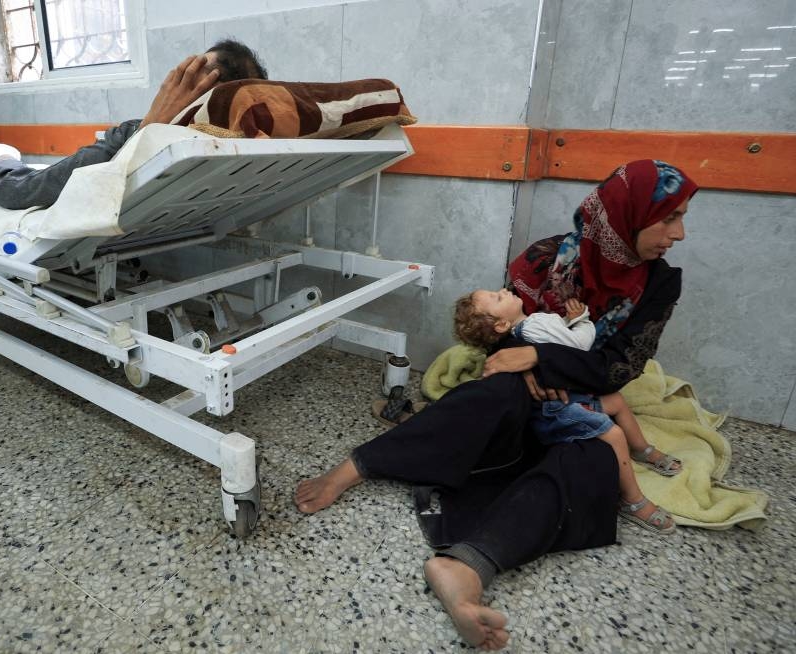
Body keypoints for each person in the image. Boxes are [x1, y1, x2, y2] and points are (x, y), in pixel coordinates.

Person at [295, 159, 698, 649]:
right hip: (519, 400)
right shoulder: (546, 257)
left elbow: (621, 367)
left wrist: (541, 360)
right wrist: (527, 362)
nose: (678, 233)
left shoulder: (659, 285)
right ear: (627, 214)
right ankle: (361, 464)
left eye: (681, 217)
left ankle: (467, 567)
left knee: (597, 461)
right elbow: (494, 334)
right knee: (494, 391)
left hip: (577, 402)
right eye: (669, 217)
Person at [0, 40, 268, 208]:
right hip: (129, 143)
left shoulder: (238, 138)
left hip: (137, 144)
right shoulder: (238, 138)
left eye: (205, 76)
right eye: (193, 73)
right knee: (26, 183)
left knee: (26, 180)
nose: (190, 81)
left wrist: (156, 124)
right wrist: (153, 123)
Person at [454, 290, 681, 534]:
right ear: (501, 325)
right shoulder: (533, 326)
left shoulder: (526, 328)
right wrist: (582, 319)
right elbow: (578, 346)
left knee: (614, 401)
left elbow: (556, 341)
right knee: (614, 435)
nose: (503, 290)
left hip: (562, 397)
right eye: (497, 298)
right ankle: (632, 500)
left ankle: (639, 449)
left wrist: (565, 325)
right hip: (554, 411)